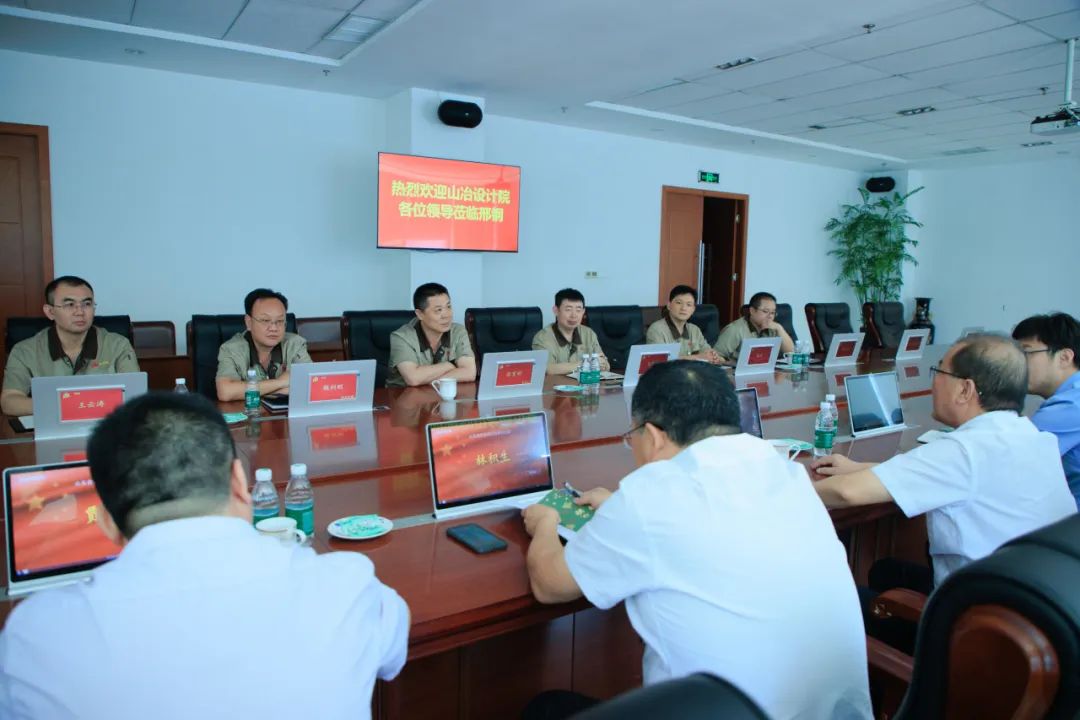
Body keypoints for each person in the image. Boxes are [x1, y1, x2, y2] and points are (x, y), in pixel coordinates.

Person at [0, 392, 409, 719]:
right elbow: (392, 656)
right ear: (240, 482)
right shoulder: (345, 585)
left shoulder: (38, 635)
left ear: (105, 521)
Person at [521, 362, 872, 720]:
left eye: (633, 437)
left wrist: (546, 524)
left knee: (547, 709)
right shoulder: (785, 471)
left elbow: (550, 585)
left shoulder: (650, 497)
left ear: (654, 436)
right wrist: (619, 510)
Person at [812, 335, 1076, 590]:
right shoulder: (1030, 435)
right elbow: (943, 473)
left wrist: (790, 487)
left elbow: (846, 492)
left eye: (938, 372)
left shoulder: (963, 450)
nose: (934, 383)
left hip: (975, 609)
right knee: (885, 571)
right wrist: (859, 468)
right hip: (1037, 598)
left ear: (965, 389)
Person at [1, 275, 139, 417]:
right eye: (69, 305)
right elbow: (9, 401)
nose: (80, 312)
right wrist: (67, 406)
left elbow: (135, 396)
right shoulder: (25, 351)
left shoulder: (118, 345)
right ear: (50, 312)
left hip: (105, 424)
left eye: (87, 304)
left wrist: (77, 405)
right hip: (51, 423)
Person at [1013, 312, 1080, 509]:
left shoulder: (1071, 405)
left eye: (1025, 353)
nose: (1015, 364)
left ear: (1064, 357)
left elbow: (1008, 455)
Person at [215, 288, 312, 401]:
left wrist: (251, 390)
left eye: (280, 321)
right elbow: (226, 392)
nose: (274, 328)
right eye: (265, 320)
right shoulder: (231, 349)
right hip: (248, 411)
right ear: (249, 322)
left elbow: (311, 384)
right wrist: (281, 382)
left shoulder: (295, 344)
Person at [387, 282, 476, 387]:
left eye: (449, 307)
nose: (447, 315)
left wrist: (430, 380)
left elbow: (469, 373)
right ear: (420, 314)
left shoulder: (458, 331)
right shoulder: (401, 337)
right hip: (402, 395)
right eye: (438, 310)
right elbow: (413, 378)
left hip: (441, 393)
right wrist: (449, 365)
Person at [531, 288, 609, 376]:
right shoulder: (542, 338)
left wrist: (602, 364)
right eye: (568, 309)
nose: (574, 315)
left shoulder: (588, 333)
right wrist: (586, 363)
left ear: (583, 312)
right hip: (556, 384)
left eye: (578, 310)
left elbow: (605, 364)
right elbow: (548, 369)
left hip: (585, 382)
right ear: (556, 311)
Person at [644, 285, 720, 362]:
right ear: (669, 305)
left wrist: (713, 356)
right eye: (679, 303)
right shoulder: (656, 330)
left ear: (693, 310)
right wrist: (697, 357)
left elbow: (707, 352)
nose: (683, 308)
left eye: (688, 304)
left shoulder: (694, 330)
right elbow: (660, 361)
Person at [713, 291, 794, 361]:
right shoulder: (735, 329)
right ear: (752, 311)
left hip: (765, 371)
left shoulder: (773, 328)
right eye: (765, 311)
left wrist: (779, 328)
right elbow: (715, 357)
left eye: (773, 313)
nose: (770, 316)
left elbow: (790, 353)